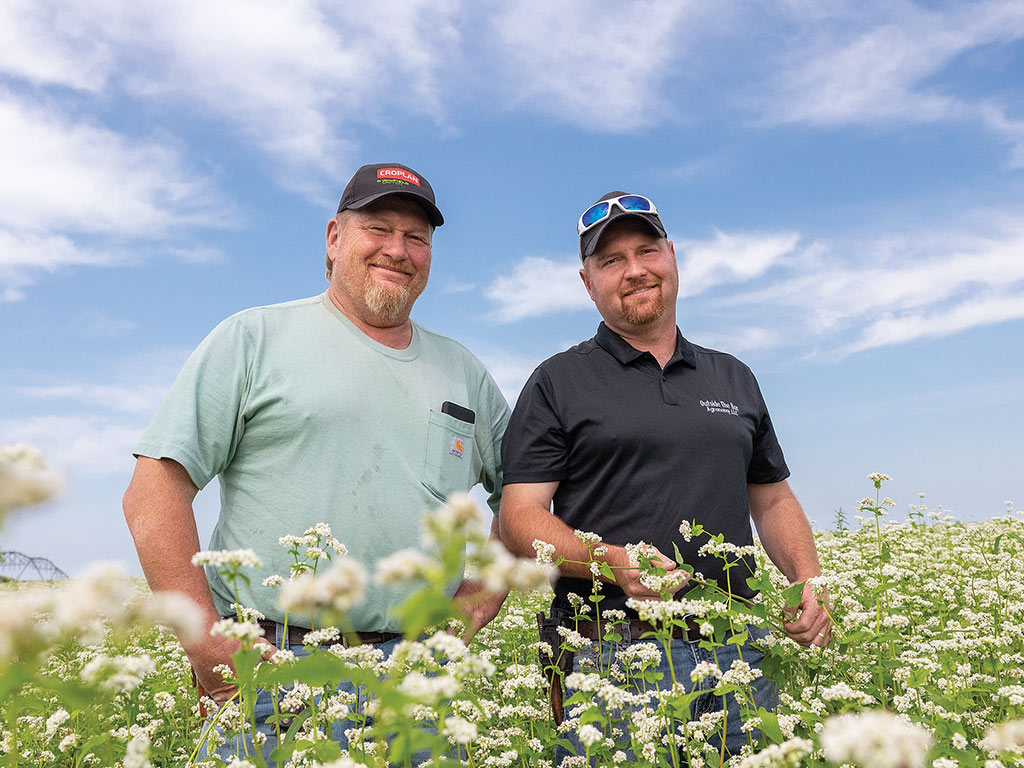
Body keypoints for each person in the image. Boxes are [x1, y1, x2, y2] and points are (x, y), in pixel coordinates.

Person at [123, 162, 510, 757]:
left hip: (419, 677)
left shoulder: (466, 372)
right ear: (334, 238)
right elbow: (153, 491)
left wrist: (479, 598)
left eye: (417, 238)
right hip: (274, 668)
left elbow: (523, 497)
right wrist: (207, 642)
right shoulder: (252, 338)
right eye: (378, 228)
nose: (397, 250)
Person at [498, 191, 830, 759]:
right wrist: (612, 563)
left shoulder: (734, 377)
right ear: (587, 282)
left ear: (672, 256)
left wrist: (807, 580)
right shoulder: (557, 381)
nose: (634, 270)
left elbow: (771, 499)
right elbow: (518, 518)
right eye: (611, 261)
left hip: (739, 647)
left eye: (646, 250)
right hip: (613, 654)